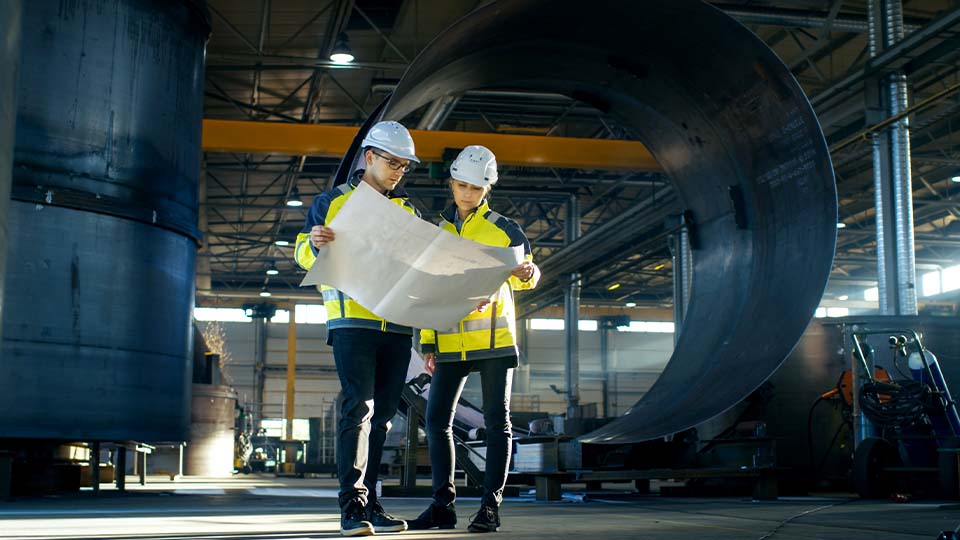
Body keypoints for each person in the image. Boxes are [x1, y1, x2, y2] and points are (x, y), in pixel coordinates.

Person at [294, 121, 420, 537]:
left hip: (398, 326)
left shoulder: (409, 212)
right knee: (359, 410)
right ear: (369, 157)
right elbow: (301, 251)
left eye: (405, 165)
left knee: (383, 418)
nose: (399, 170)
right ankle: (352, 508)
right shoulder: (332, 202)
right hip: (353, 323)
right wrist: (312, 242)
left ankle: (372, 503)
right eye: (393, 162)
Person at [408, 145, 540, 533]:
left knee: (498, 423)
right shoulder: (438, 233)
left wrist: (528, 274)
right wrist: (429, 342)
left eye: (475, 188)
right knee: (436, 421)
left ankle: (489, 507)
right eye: (461, 185)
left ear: (487, 190)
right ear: (451, 183)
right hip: (449, 341)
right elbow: (429, 290)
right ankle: (442, 506)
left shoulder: (504, 229)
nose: (467, 194)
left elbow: (529, 272)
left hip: (494, 341)